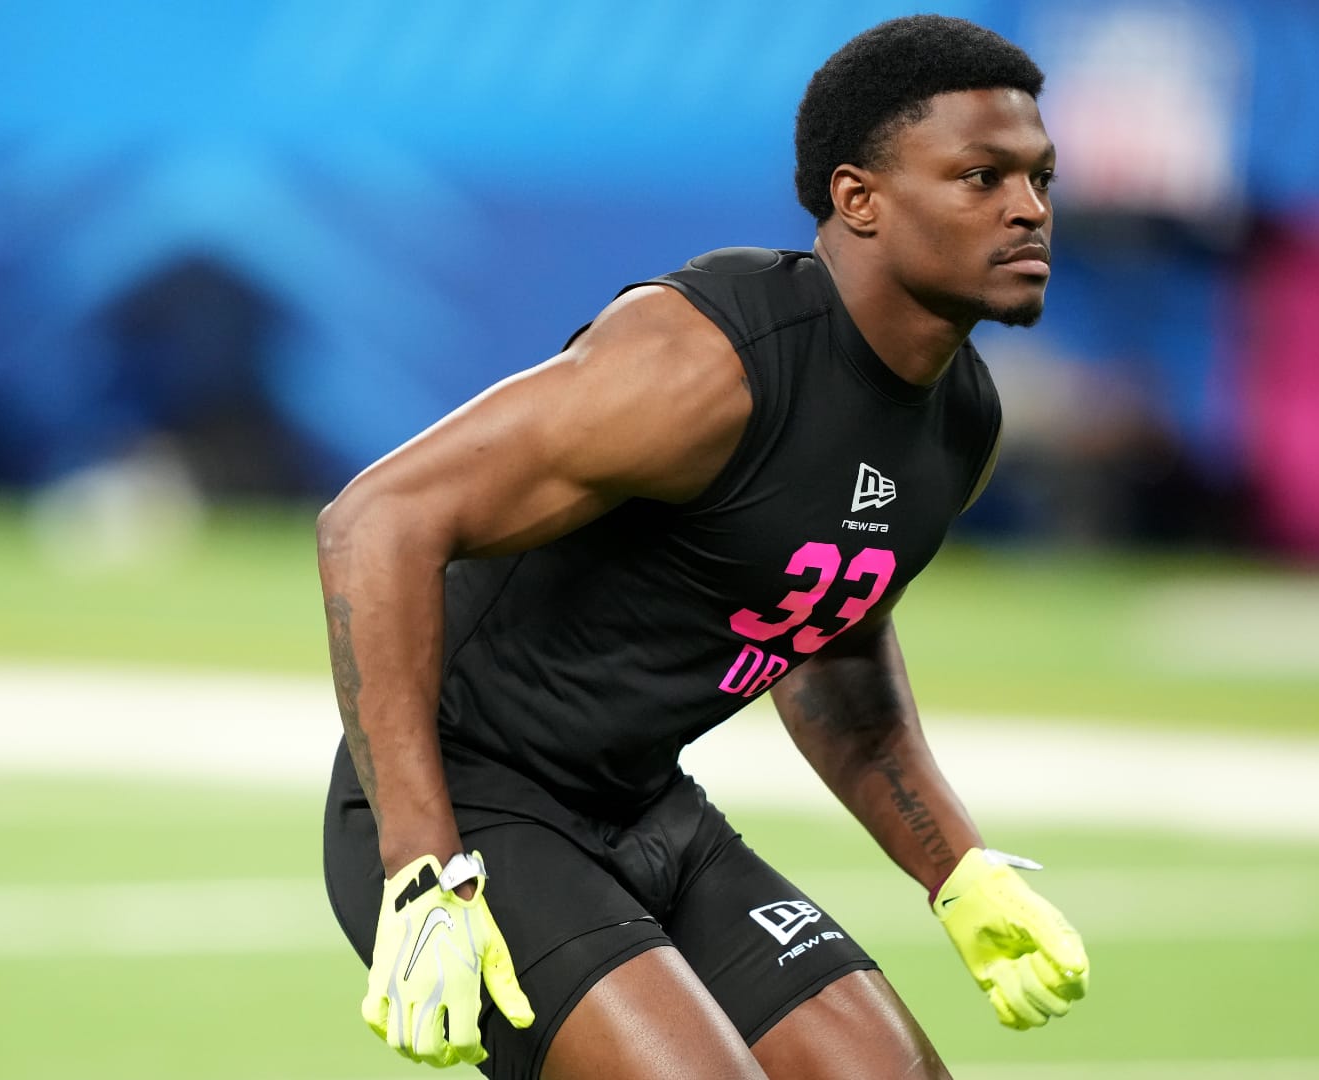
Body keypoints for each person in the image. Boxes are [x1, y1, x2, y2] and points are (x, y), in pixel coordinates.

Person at [317, 14, 1089, 1079]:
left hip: (649, 806)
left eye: (1041, 177)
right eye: (982, 177)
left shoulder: (960, 422)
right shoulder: (705, 360)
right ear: (858, 199)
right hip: (473, 806)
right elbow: (376, 519)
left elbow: (833, 650)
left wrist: (955, 866)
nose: (1029, 210)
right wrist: (422, 868)